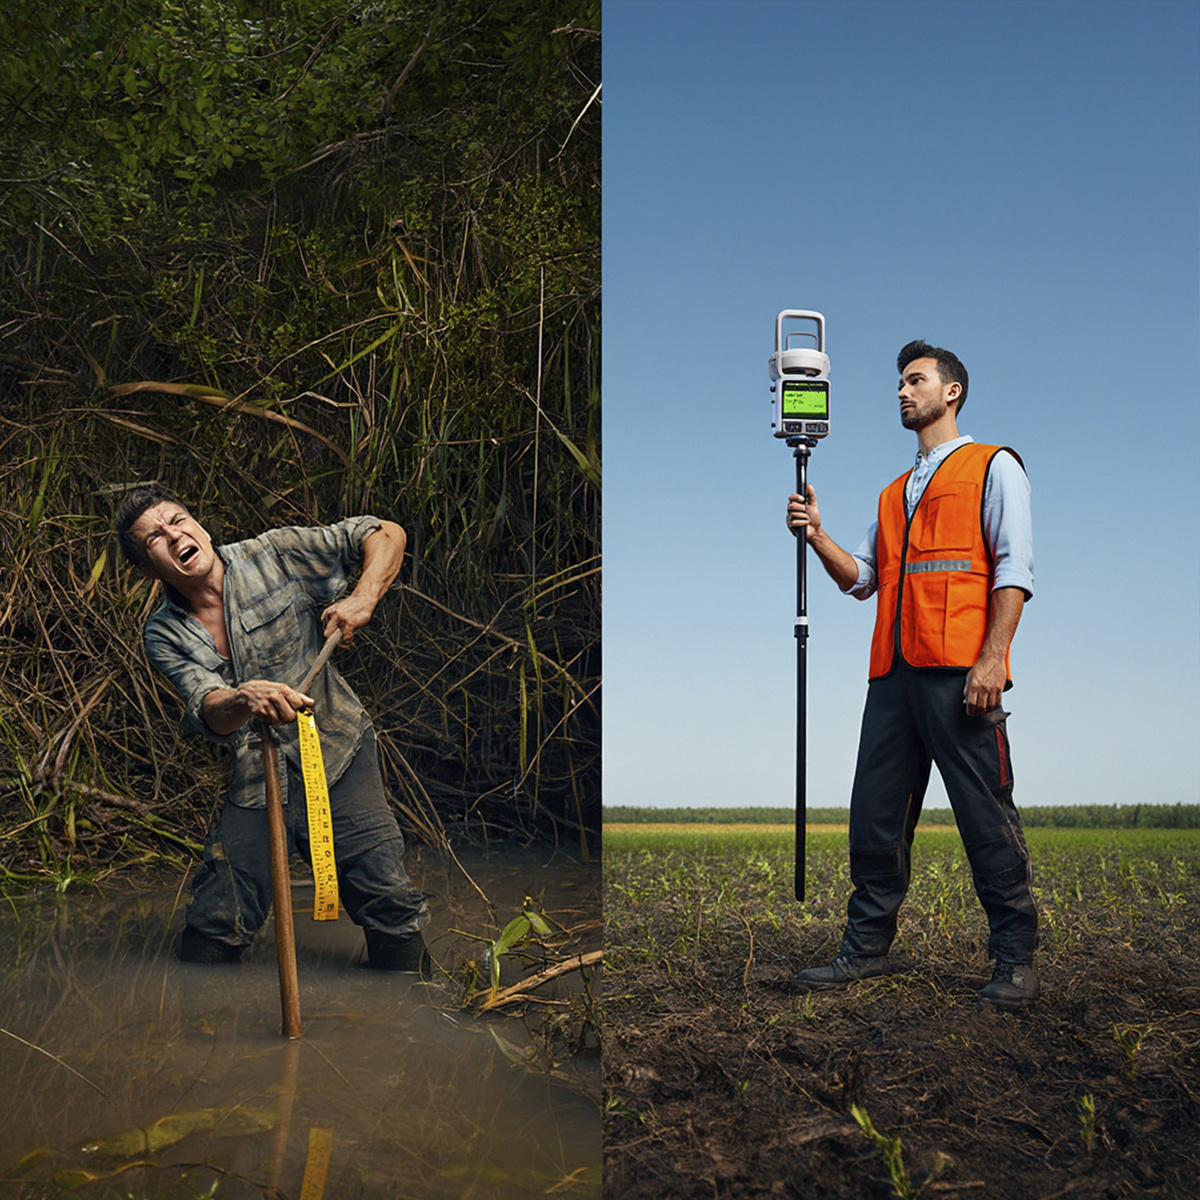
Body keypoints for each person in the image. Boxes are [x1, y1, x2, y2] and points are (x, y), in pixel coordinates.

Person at [785, 340, 1039, 1008]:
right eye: (899, 382)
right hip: (892, 677)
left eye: (915, 380)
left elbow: (1014, 569)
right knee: (874, 816)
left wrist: (992, 658)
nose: (902, 391)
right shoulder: (894, 493)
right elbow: (864, 579)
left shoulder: (995, 466)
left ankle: (1014, 960)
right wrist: (817, 534)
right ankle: (864, 951)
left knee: (985, 814)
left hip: (961, 674)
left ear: (951, 392)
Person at [115, 483, 430, 972]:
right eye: (155, 536)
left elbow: (385, 533)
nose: (173, 535)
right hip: (258, 777)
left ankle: (415, 1007)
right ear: (144, 566)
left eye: (177, 520)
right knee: (215, 923)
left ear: (197, 524)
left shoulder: (275, 554)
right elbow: (209, 708)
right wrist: (243, 697)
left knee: (387, 901)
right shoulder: (163, 633)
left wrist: (362, 599)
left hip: (336, 748)